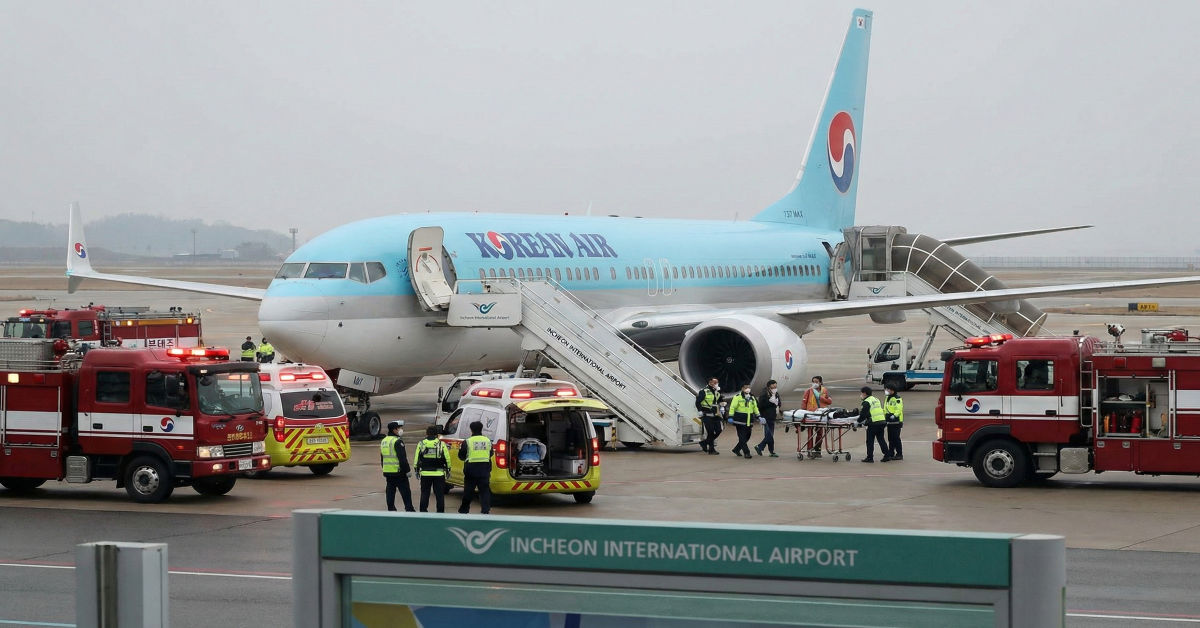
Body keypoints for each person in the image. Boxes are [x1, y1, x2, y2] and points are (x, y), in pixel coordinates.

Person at [458, 420, 493, 514]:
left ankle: (464, 510)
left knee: (468, 491)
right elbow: (491, 453)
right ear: (481, 429)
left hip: (471, 469)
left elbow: (461, 456)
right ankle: (485, 510)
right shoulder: (487, 441)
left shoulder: (468, 441)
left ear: (471, 430)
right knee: (484, 491)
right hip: (484, 468)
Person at [413, 425, 451, 512]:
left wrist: (416, 470)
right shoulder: (441, 444)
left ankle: (423, 511)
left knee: (425, 493)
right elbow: (447, 458)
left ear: (426, 433)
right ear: (436, 434)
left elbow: (416, 458)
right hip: (439, 474)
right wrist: (448, 469)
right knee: (439, 495)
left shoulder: (421, 444)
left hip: (425, 473)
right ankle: (440, 512)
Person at [380, 421, 415, 512]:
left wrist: (384, 469)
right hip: (399, 472)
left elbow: (382, 458)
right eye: (398, 428)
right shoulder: (397, 441)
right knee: (405, 492)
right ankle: (409, 509)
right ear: (394, 430)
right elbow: (402, 458)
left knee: (390, 491)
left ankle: (391, 509)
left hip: (388, 472)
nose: (400, 430)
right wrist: (407, 470)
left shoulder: (384, 441)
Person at [800, 375, 833, 456]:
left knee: (820, 433)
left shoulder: (824, 390)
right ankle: (809, 450)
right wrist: (803, 415)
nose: (814, 383)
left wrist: (821, 398)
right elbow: (804, 403)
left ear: (820, 382)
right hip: (810, 415)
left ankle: (817, 450)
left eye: (816, 382)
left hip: (821, 415)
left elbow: (829, 402)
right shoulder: (808, 391)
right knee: (810, 433)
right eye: (813, 382)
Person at [727, 384, 760, 459]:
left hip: (749, 421)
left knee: (747, 437)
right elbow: (732, 407)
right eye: (746, 387)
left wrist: (758, 416)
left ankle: (736, 449)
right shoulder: (737, 397)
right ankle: (746, 452)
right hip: (740, 420)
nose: (748, 389)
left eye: (749, 387)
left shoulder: (752, 397)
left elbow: (755, 407)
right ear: (742, 388)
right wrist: (730, 416)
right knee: (742, 437)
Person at [857, 386, 888, 463]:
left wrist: (858, 422)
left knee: (870, 441)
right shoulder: (876, 399)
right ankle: (887, 455)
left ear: (864, 393)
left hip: (874, 423)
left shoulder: (866, 402)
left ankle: (870, 457)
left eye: (861, 393)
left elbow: (863, 414)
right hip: (882, 421)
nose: (861, 395)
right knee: (881, 439)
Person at [695, 377, 724, 455]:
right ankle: (711, 450)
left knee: (719, 430)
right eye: (715, 382)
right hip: (707, 415)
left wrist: (722, 406)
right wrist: (700, 411)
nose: (716, 384)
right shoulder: (703, 391)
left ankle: (704, 443)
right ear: (710, 382)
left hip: (716, 414)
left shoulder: (717, 392)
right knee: (710, 432)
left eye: (717, 382)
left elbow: (720, 400)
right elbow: (698, 402)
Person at [755, 380, 781, 457]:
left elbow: (779, 403)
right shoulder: (764, 394)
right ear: (769, 386)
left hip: (772, 416)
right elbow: (761, 406)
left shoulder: (776, 394)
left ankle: (764, 449)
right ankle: (762, 447)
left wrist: (777, 402)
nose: (775, 388)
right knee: (769, 435)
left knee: (770, 435)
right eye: (773, 387)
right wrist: (770, 402)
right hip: (766, 417)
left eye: (776, 387)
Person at [883, 385, 904, 462]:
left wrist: (894, 415)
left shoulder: (897, 398)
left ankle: (899, 454)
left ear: (892, 390)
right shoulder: (887, 398)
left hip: (896, 421)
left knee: (896, 438)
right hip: (889, 421)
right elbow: (885, 409)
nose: (886, 390)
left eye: (888, 389)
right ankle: (891, 453)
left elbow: (899, 409)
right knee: (890, 438)